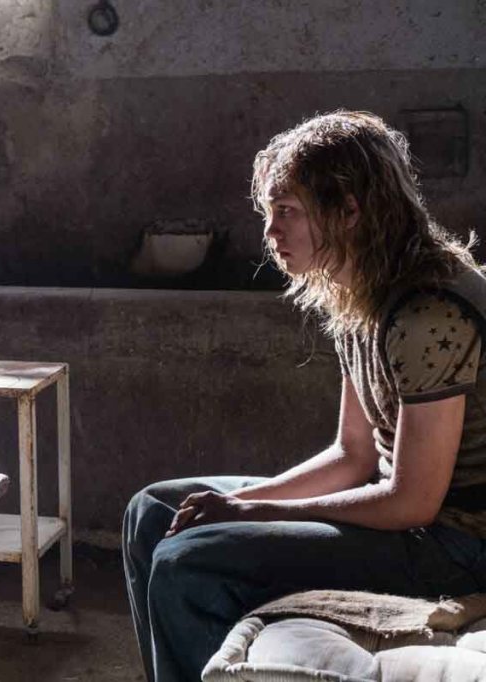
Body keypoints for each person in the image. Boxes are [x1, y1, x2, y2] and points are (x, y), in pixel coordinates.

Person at [123, 111, 486, 682]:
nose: (270, 232)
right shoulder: (359, 292)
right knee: (153, 512)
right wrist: (236, 506)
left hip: (456, 541)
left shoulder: (427, 313)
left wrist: (251, 510)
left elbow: (413, 502)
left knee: (186, 562)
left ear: (349, 210)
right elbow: (352, 454)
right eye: (268, 213)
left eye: (287, 211)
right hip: (399, 510)